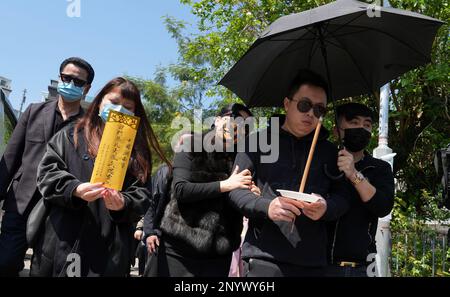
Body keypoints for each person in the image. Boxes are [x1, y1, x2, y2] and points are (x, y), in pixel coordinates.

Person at [30, 77, 169, 277]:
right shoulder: (71, 134)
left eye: (127, 107)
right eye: (113, 102)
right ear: (99, 102)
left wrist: (123, 203)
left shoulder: (137, 151)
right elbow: (47, 173)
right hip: (61, 237)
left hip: (109, 247)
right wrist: (74, 189)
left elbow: (143, 195)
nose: (119, 110)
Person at [229, 69, 350, 277]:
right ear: (287, 104)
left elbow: (344, 198)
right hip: (264, 258)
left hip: (313, 263)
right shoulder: (257, 142)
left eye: (320, 109)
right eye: (304, 105)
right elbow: (235, 191)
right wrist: (268, 206)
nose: (311, 114)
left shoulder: (331, 152)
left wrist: (326, 207)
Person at [0, 57, 94, 276]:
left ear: (87, 88)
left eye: (78, 82)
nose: (71, 84)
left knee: (43, 269)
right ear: (59, 78)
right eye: (66, 78)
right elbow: (11, 156)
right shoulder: (33, 111)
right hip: (21, 202)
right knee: (5, 262)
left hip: (59, 209)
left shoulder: (89, 128)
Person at [152, 103, 254, 277]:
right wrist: (226, 184)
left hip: (219, 253)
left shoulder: (243, 158)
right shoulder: (192, 144)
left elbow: (239, 200)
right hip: (180, 248)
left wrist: (250, 194)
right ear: (218, 120)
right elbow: (181, 190)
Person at [326, 103, 395, 277]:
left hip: (363, 267)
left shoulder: (379, 168)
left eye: (367, 125)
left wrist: (353, 173)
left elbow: (383, 207)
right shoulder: (324, 163)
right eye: (354, 123)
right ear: (337, 131)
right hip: (321, 264)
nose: (361, 128)